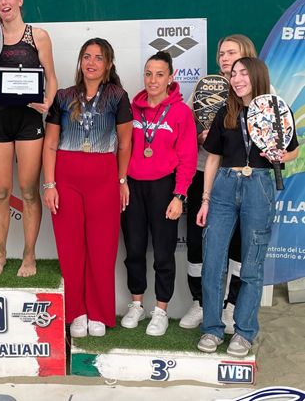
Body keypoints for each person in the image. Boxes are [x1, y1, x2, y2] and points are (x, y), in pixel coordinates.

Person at [196, 57, 299, 356]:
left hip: (260, 186)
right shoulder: (225, 112)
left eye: (243, 73)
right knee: (214, 261)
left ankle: (243, 332)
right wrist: (205, 199)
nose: (236, 78)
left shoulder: (276, 111)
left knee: (252, 264)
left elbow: (292, 152)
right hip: (224, 187)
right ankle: (212, 329)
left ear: (257, 76)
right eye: (233, 73)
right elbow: (213, 157)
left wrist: (280, 155)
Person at [43, 38, 132, 337]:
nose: (91, 62)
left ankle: (100, 312)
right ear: (80, 61)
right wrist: (50, 184)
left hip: (103, 177)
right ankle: (76, 311)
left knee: (102, 248)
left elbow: (125, 143)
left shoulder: (118, 96)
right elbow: (51, 144)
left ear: (108, 64)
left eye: (98, 58)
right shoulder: (63, 96)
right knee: (71, 248)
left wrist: (121, 180)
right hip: (66, 177)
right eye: (86, 56)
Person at [0, 0, 57, 277]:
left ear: (20, 0)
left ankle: (28, 255)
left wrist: (47, 102)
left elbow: (51, 78)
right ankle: (0, 256)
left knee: (27, 192)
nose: (4, 3)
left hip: (28, 121)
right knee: (0, 191)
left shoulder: (38, 36)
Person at [180, 35, 258, 331]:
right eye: (221, 54)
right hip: (204, 173)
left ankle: (231, 307)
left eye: (231, 53)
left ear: (246, 54)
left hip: (244, 177)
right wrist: (201, 136)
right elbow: (186, 125)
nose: (224, 58)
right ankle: (200, 302)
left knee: (239, 244)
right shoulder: (205, 86)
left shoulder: (261, 90)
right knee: (197, 240)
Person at [120, 51, 197, 336]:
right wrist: (121, 180)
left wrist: (179, 196)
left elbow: (188, 158)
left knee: (164, 253)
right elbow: (121, 148)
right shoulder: (132, 108)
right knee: (134, 249)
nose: (153, 80)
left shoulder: (180, 112)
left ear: (171, 77)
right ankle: (137, 304)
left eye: (159, 74)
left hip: (165, 187)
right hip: (133, 186)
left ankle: (161, 310)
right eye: (148, 73)